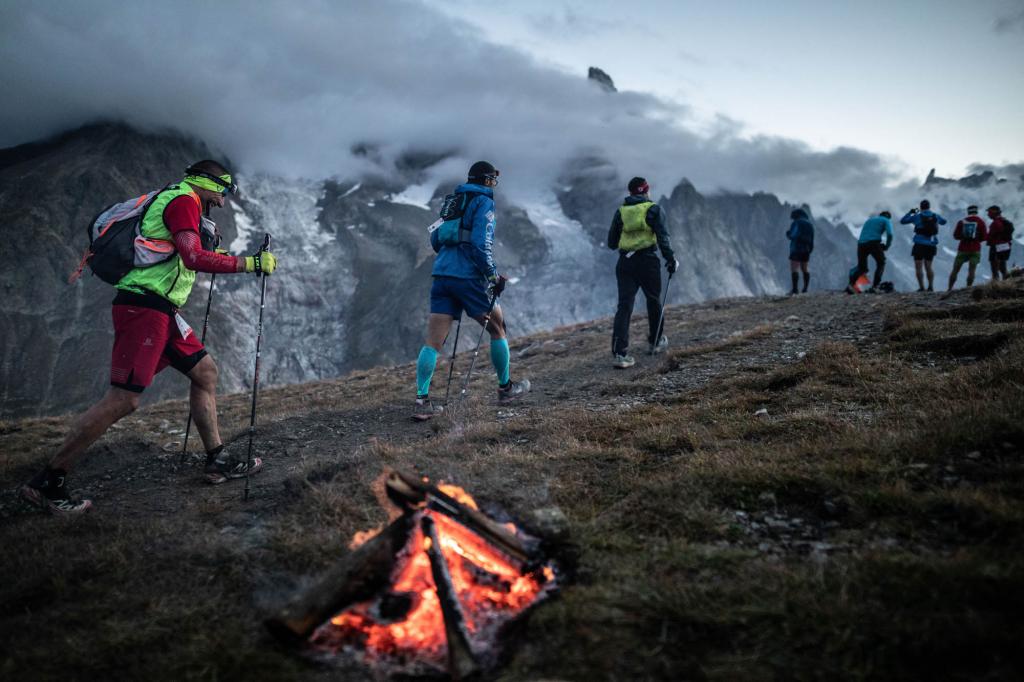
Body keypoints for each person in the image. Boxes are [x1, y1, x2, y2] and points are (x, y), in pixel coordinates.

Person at [20, 161, 279, 514]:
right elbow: (191, 257)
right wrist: (250, 264)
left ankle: (216, 459)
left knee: (205, 374)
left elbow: (178, 253)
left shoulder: (183, 203)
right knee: (124, 400)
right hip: (144, 309)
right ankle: (48, 482)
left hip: (163, 311)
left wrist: (223, 256)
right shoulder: (182, 201)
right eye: (222, 190)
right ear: (205, 182)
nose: (222, 200)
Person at [412, 161, 530, 420]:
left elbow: (435, 239)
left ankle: (422, 400)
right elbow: (480, 243)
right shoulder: (483, 203)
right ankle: (506, 389)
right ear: (487, 181)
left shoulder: (454, 200)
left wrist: (449, 259)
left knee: (433, 340)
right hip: (469, 278)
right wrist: (492, 276)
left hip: (442, 275)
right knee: (498, 329)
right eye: (493, 179)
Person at [607, 176, 678, 368]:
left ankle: (620, 355)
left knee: (624, 307)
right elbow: (663, 238)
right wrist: (670, 260)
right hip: (648, 261)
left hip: (625, 262)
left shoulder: (621, 212)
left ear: (630, 192)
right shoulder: (654, 209)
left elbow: (611, 243)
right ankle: (655, 343)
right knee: (653, 300)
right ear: (646, 190)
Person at [900, 199, 947, 291]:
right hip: (931, 244)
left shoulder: (917, 216)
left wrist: (910, 212)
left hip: (919, 244)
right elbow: (944, 222)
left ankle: (921, 288)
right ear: (929, 206)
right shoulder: (935, 216)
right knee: (929, 266)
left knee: (918, 266)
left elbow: (903, 221)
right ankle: (930, 287)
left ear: (921, 207)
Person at [847, 211, 893, 294]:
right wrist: (887, 246)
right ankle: (875, 286)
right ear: (888, 217)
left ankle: (851, 285)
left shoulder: (869, 220)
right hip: (873, 243)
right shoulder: (886, 220)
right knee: (881, 262)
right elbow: (890, 234)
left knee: (862, 268)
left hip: (861, 244)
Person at [948, 204, 988, 291]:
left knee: (955, 270)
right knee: (972, 270)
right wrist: (977, 240)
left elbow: (955, 236)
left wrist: (963, 237)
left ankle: (950, 288)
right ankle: (968, 288)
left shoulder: (962, 222)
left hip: (963, 249)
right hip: (975, 249)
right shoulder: (981, 222)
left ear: (968, 212)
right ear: (976, 211)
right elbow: (985, 237)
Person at [785, 208, 814, 294]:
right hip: (807, 249)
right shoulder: (810, 225)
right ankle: (805, 289)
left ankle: (795, 289)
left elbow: (792, 235)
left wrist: (788, 233)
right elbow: (812, 239)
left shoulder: (796, 223)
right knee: (804, 268)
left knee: (794, 268)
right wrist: (810, 249)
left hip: (797, 248)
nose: (793, 219)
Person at [986, 205, 1013, 281]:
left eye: (989, 212)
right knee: (1003, 267)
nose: (988, 214)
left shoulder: (996, 223)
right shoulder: (1004, 221)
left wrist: (985, 237)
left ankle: (995, 283)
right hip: (1005, 246)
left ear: (993, 212)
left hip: (996, 246)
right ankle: (1007, 282)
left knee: (994, 267)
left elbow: (991, 235)